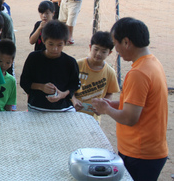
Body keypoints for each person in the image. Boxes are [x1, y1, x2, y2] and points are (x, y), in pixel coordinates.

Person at [92, 18, 168, 181]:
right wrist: (110, 103)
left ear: (126, 42)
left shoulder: (138, 73)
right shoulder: (153, 63)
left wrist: (106, 110)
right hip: (148, 151)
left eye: (115, 43)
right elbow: (139, 105)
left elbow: (130, 117)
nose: (116, 49)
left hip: (140, 154)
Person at [20, 20, 80, 112]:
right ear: (43, 40)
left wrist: (62, 94)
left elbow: (74, 85)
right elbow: (24, 82)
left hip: (64, 108)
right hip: (37, 107)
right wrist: (41, 87)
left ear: (65, 42)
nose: (55, 49)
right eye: (50, 44)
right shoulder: (33, 58)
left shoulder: (70, 62)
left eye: (59, 45)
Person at [71, 31, 119, 121]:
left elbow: (109, 93)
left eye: (103, 51)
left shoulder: (110, 72)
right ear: (90, 47)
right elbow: (68, 87)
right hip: (73, 113)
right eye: (96, 49)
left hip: (93, 118)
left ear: (109, 53)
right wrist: (73, 99)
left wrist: (104, 106)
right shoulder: (77, 65)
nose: (98, 54)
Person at [0, 39, 17, 111]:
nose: (3, 65)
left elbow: (9, 105)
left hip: (1, 117)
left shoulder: (11, 81)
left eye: (8, 62)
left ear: (12, 62)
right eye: (0, 61)